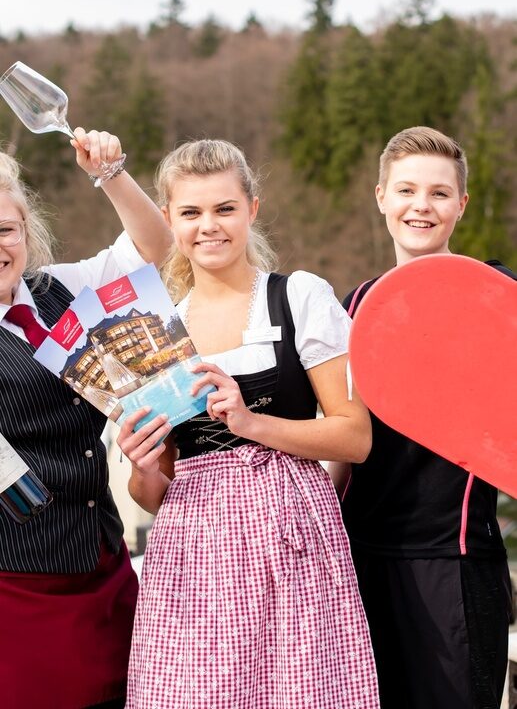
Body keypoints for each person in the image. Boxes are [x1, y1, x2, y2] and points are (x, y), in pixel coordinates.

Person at [116, 139, 380, 708]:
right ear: (169, 220)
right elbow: (154, 493)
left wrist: (251, 423)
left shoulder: (298, 297)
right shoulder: (158, 332)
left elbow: (354, 437)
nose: (208, 227)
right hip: (193, 552)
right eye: (190, 213)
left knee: (300, 692)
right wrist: (141, 466)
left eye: (224, 209)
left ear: (252, 209)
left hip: (291, 539)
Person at [339, 126, 515, 709]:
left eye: (439, 193)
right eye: (407, 190)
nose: (422, 206)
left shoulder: (499, 298)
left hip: (457, 564)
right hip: (361, 560)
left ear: (461, 205)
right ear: (381, 197)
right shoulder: (352, 309)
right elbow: (341, 446)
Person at [0, 128, 172, 709]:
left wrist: (110, 172)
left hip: (105, 562)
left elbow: (153, 245)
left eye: (5, 229)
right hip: (20, 584)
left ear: (26, 231)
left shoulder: (63, 290)